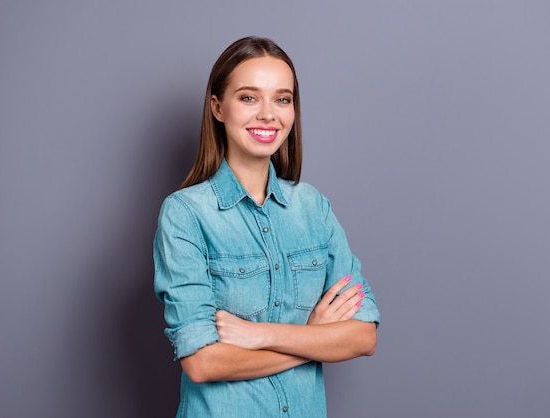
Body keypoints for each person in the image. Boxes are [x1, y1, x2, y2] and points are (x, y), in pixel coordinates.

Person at [154, 36, 380, 418]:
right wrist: (313, 336)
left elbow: (363, 336)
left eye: (282, 98)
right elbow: (203, 362)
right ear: (217, 108)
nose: (267, 114)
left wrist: (261, 335)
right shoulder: (186, 214)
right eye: (248, 97)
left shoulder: (313, 208)